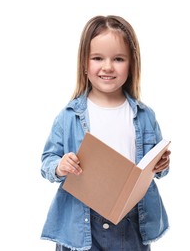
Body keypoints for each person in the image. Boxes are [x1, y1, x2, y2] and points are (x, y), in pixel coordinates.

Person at [40, 15, 171, 251]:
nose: (108, 67)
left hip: (130, 223)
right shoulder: (69, 115)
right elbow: (47, 161)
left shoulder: (145, 116)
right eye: (98, 58)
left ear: (132, 64)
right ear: (84, 63)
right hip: (82, 226)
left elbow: (157, 168)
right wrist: (61, 166)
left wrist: (161, 164)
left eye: (118, 59)